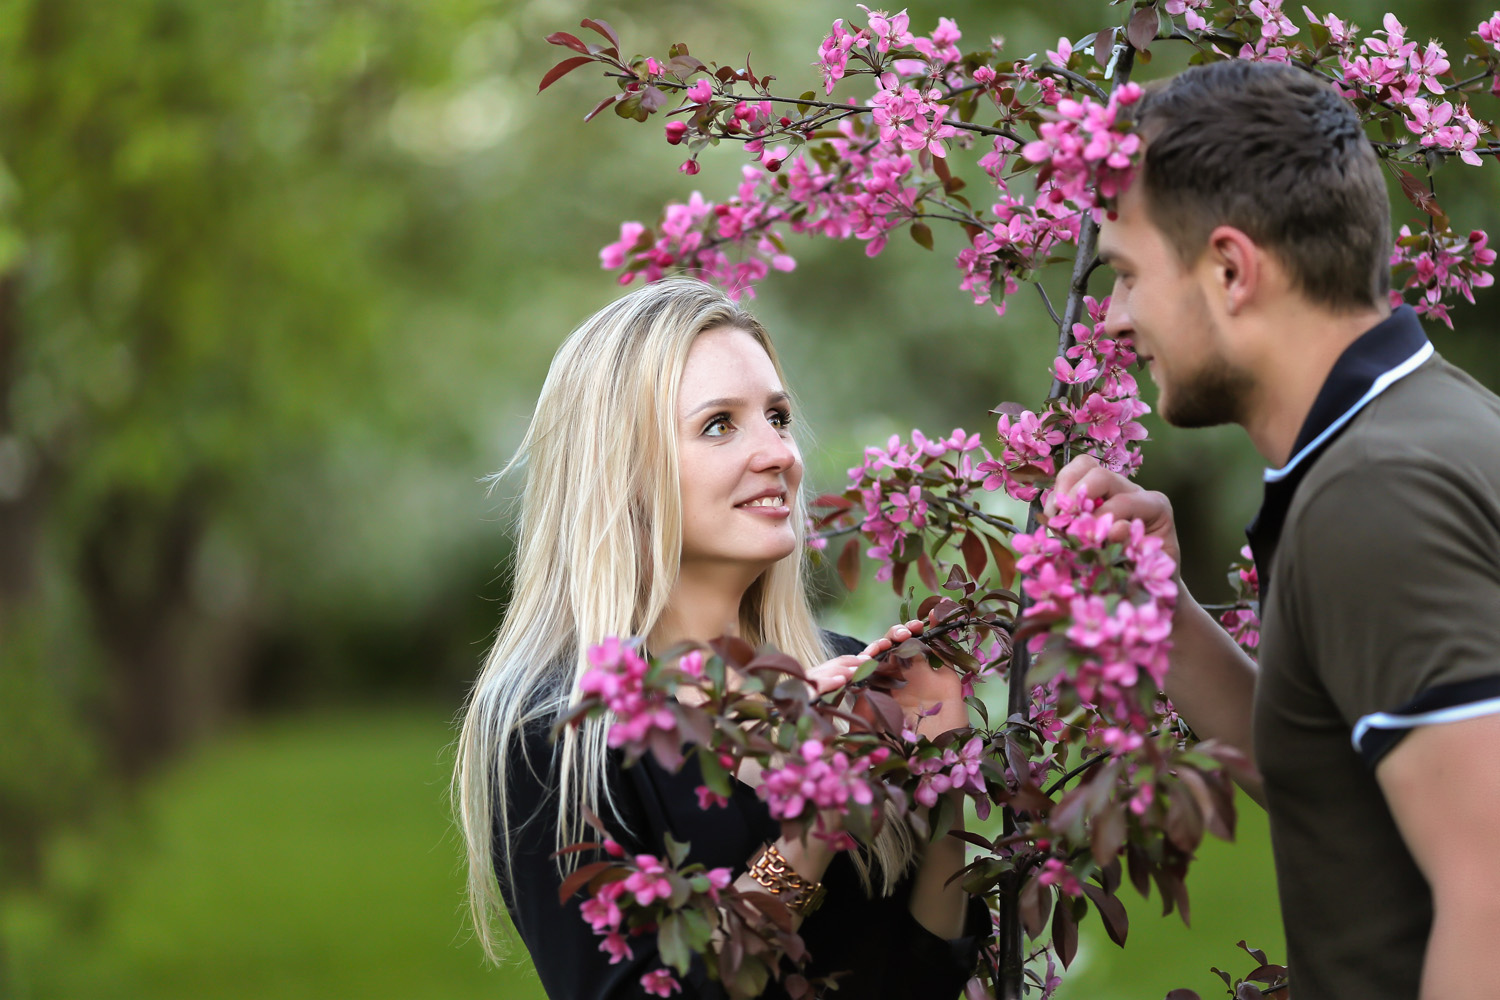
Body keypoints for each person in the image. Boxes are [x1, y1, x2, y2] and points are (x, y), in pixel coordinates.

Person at [1055, 59, 1500, 1000]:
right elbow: (1343, 780)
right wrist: (1158, 617)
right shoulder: (1418, 434)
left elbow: (1490, 888)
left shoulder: (1375, 497)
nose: (1114, 317)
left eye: (1129, 276)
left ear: (1229, 269)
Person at [452, 278, 988, 999]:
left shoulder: (848, 677)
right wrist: (815, 821)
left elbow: (923, 975)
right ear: (625, 470)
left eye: (778, 417)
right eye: (719, 425)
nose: (778, 454)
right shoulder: (556, 728)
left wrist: (946, 777)